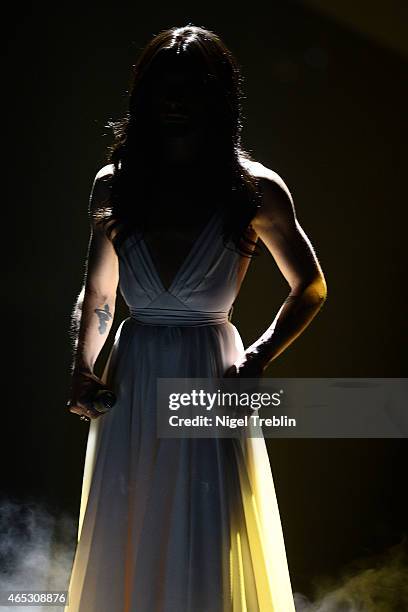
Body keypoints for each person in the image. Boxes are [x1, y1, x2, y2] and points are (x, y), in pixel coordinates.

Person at [65, 24, 327, 612]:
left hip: (210, 379)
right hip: (133, 380)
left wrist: (258, 356)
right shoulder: (115, 186)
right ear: (145, 98)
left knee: (205, 532)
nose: (176, 103)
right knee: (128, 530)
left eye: (191, 89)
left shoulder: (255, 189)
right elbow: (99, 290)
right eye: (164, 89)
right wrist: (82, 367)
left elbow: (310, 284)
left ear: (218, 98)